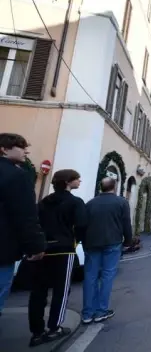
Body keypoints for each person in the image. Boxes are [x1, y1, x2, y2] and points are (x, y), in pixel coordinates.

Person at [28, 169, 86, 346]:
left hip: (43, 249)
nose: (80, 181)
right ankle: (55, 328)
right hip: (64, 249)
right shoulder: (75, 202)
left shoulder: (44, 202)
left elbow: (35, 222)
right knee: (61, 291)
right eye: (77, 179)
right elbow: (82, 225)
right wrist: (75, 241)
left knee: (38, 291)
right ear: (68, 182)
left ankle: (37, 331)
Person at [0, 133, 45, 316]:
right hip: (3, 248)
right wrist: (35, 245)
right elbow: (25, 214)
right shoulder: (17, 176)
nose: (25, 151)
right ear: (4, 149)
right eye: (21, 146)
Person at [81, 177, 132, 324]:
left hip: (92, 243)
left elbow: (83, 225)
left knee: (90, 277)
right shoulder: (121, 203)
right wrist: (128, 241)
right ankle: (101, 311)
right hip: (113, 242)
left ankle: (87, 313)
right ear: (114, 187)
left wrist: (84, 242)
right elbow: (126, 223)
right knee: (107, 276)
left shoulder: (90, 204)